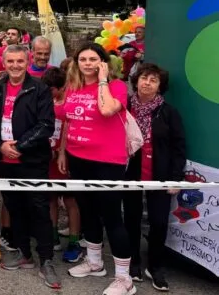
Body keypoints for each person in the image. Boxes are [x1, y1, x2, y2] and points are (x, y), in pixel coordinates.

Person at [57, 43, 133, 295]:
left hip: (107, 162)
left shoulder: (117, 87)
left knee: (112, 217)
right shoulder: (74, 87)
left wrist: (102, 80)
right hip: (78, 157)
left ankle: (124, 278)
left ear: (103, 63)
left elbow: (107, 109)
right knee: (87, 211)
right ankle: (95, 262)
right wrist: (62, 151)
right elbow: (69, 120)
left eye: (93, 59)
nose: (87, 63)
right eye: (83, 59)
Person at [0, 45, 60, 288]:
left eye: (19, 61)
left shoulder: (40, 89)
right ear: (3, 63)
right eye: (10, 61)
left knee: (38, 208)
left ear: (27, 62)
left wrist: (20, 146)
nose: (15, 66)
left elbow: (46, 125)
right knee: (14, 207)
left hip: (31, 160)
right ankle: (24, 253)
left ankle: (46, 260)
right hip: (5, 161)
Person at [123, 63, 186, 291]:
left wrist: (176, 178)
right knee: (131, 218)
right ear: (136, 80)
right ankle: (134, 262)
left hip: (160, 175)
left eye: (153, 80)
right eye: (144, 78)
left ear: (160, 86)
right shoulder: (124, 107)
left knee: (159, 222)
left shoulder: (168, 112)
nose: (147, 83)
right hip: (130, 173)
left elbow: (179, 147)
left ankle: (155, 266)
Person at [41, 67, 82, 263]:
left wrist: (63, 151)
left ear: (60, 87)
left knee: (70, 201)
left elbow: (70, 126)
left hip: (65, 158)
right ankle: (53, 235)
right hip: (47, 157)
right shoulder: (45, 101)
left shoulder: (69, 103)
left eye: (51, 90)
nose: (48, 93)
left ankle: (74, 240)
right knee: (51, 198)